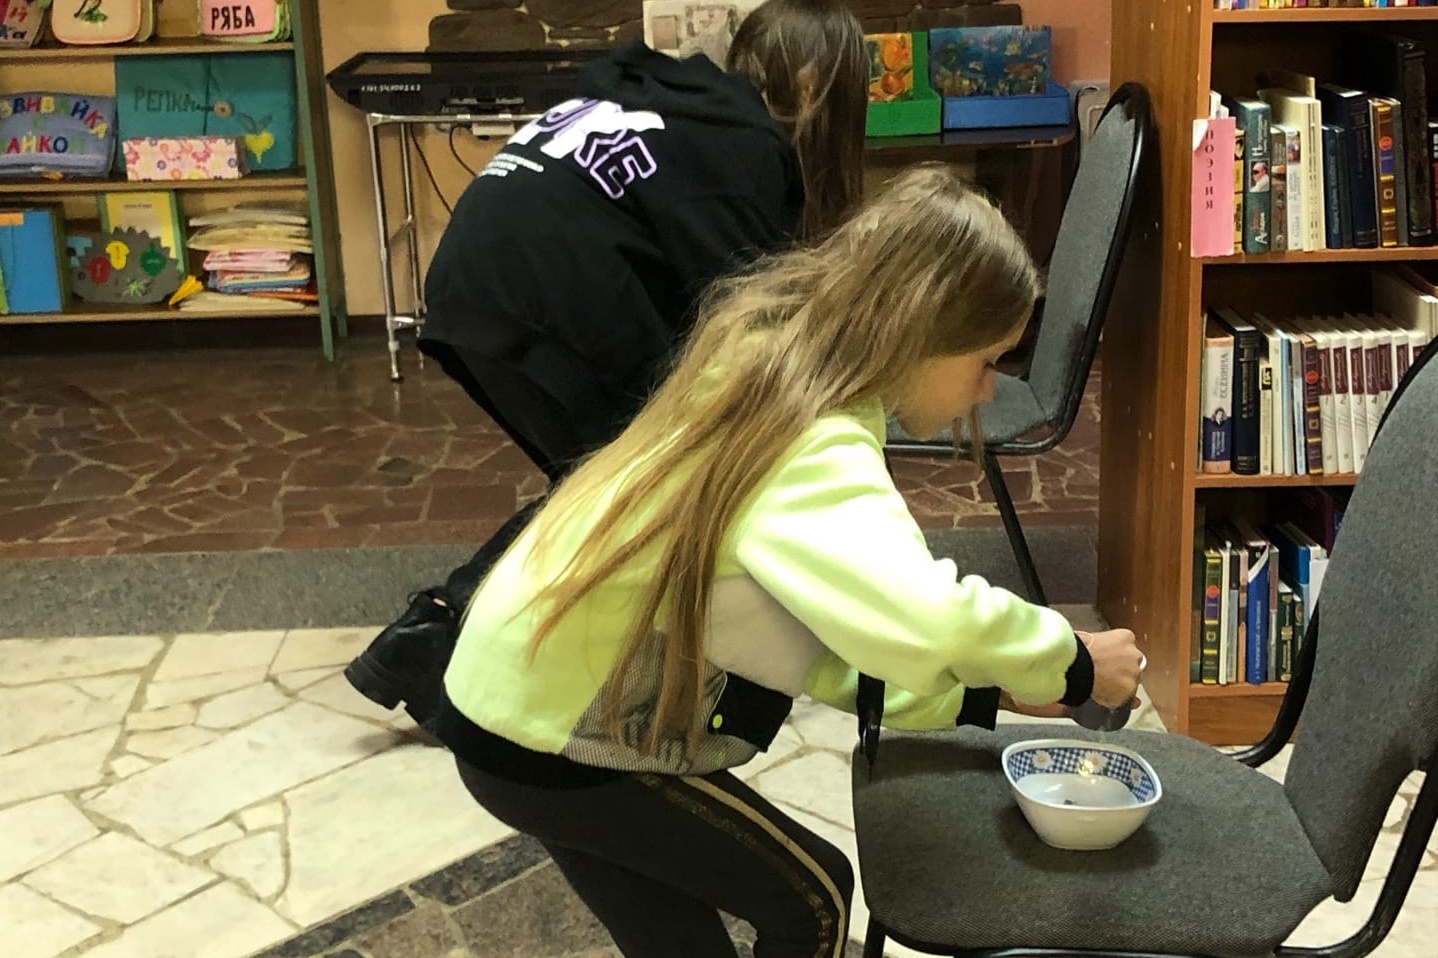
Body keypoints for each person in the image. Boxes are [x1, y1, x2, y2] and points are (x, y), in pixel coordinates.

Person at [436, 165, 1146, 958]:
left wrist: (986, 694)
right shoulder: (813, 443)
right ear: (922, 333)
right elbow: (927, 618)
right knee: (813, 901)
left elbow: (818, 646)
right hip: (556, 728)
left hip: (505, 696)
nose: (989, 391)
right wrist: (1071, 662)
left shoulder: (774, 362)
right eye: (987, 360)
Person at [344, 0, 869, 730]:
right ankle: (447, 647)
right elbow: (747, 319)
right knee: (647, 483)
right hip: (535, 299)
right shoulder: (744, 146)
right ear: (814, 86)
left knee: (608, 484)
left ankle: (436, 634)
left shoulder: (679, 103)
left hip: (470, 284)